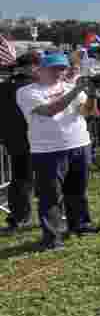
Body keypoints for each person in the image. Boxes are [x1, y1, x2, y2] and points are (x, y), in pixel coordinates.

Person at [15, 52, 100, 250]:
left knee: (78, 191)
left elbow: (89, 112)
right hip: (48, 150)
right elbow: (49, 111)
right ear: (40, 70)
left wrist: (91, 95)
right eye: (54, 68)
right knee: (50, 196)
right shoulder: (27, 91)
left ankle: (81, 224)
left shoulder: (70, 87)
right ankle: (52, 237)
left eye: (62, 68)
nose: (59, 72)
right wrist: (76, 91)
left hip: (79, 144)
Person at [0, 52, 41, 231]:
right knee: (40, 178)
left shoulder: (4, 86)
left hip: (12, 138)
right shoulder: (32, 86)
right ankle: (24, 216)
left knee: (19, 178)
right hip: (36, 137)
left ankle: (17, 217)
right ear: (32, 66)